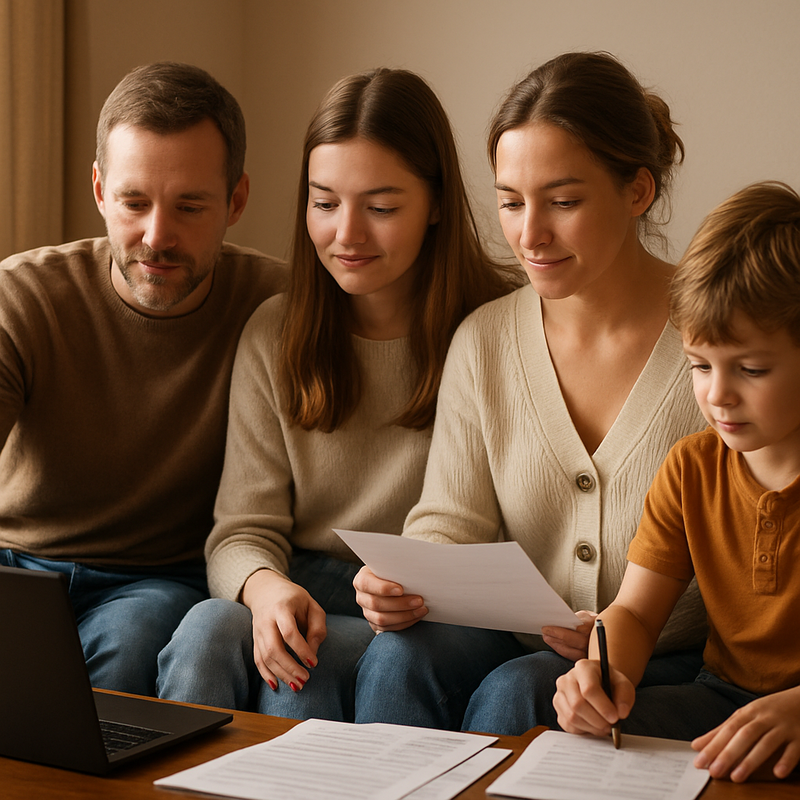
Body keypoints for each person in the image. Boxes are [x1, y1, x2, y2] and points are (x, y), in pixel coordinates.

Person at [353, 51, 708, 733]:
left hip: (667, 655)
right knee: (395, 657)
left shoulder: (719, 343)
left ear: (637, 191)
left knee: (522, 691)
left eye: (564, 202)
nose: (530, 234)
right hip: (518, 635)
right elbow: (450, 520)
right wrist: (402, 582)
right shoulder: (486, 340)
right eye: (511, 203)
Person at [156, 68, 521, 720]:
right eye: (324, 203)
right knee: (209, 628)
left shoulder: (502, 326)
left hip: (437, 611)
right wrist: (265, 591)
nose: (346, 235)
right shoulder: (276, 332)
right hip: (307, 583)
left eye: (380, 207)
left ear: (436, 203)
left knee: (302, 669)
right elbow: (242, 529)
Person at [0, 62, 286, 697]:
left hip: (153, 580)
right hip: (15, 561)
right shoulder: (24, 296)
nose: (158, 237)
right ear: (100, 190)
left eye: (189, 206)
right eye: (134, 202)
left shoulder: (278, 304)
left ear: (236, 200)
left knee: (134, 642)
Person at [553, 181, 800, 783]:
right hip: (720, 700)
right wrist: (605, 671)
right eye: (699, 365)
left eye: (752, 368)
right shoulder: (692, 468)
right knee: (562, 735)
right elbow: (635, 613)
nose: (717, 394)